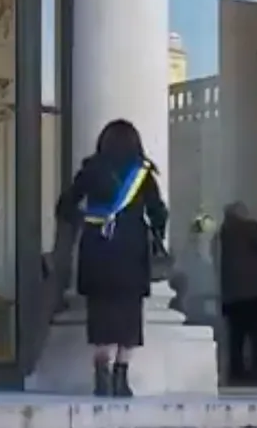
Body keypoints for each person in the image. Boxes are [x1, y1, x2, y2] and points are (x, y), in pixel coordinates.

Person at [55, 119, 168, 397]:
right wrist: (156, 233)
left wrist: (84, 220)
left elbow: (65, 205)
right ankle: (121, 377)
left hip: (98, 250)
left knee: (101, 313)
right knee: (129, 315)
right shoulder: (142, 173)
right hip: (131, 251)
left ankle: (101, 376)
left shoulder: (91, 170)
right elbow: (158, 212)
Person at [217, 201, 257, 384]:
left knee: (236, 336)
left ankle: (236, 373)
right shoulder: (250, 228)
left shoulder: (224, 233)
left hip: (232, 294)